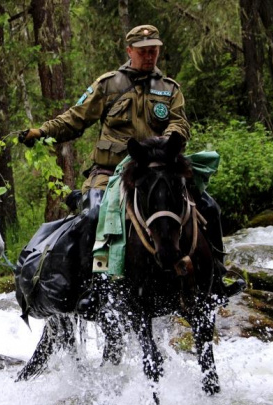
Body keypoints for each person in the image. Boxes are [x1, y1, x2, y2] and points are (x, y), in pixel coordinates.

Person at [20, 24, 243, 300]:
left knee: (210, 206)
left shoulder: (169, 88)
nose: (150, 56)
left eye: (154, 51)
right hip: (109, 172)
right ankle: (89, 286)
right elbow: (74, 119)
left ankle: (217, 277)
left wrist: (166, 143)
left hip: (157, 169)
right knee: (91, 215)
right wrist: (41, 132)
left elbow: (180, 122)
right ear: (130, 51)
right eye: (143, 51)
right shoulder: (108, 85)